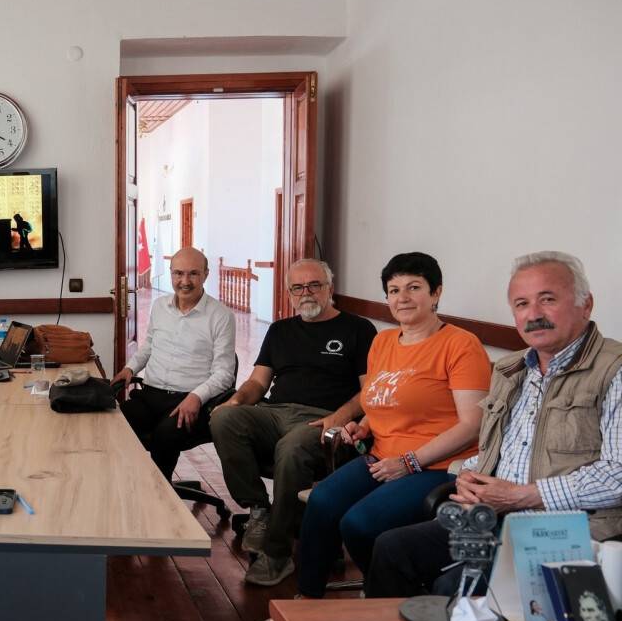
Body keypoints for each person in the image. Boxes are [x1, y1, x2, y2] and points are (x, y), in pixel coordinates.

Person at [364, 251, 622, 598]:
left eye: (548, 300)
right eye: (521, 304)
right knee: (392, 548)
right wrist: (469, 474)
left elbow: (617, 473)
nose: (533, 315)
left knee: (452, 588)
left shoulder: (613, 371)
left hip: (565, 529)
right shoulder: (511, 369)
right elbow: (495, 448)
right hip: (490, 515)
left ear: (585, 304)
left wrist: (524, 495)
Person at [293, 252, 491, 599]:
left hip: (437, 465)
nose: (402, 298)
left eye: (414, 287)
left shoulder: (460, 345)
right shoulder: (383, 342)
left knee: (359, 524)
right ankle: (307, 598)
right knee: (322, 501)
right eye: (394, 289)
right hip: (383, 457)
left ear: (436, 293)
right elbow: (382, 396)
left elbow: (473, 424)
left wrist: (410, 462)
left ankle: (389, 591)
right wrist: (365, 427)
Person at [210, 258, 378, 586]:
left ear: (330, 289)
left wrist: (337, 417)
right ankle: (259, 509)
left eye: (314, 285)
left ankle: (276, 553)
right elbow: (258, 383)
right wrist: (234, 402)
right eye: (297, 287)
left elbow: (368, 391)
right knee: (223, 419)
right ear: (289, 294)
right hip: (276, 411)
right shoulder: (280, 330)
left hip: (324, 418)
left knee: (291, 448)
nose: (307, 293)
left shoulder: (358, 329)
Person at [110, 247, 236, 480]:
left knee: (164, 437)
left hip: (188, 401)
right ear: (170, 274)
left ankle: (159, 495)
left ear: (206, 275)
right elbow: (148, 345)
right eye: (178, 273)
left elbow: (225, 373)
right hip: (151, 394)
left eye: (193, 274)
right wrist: (130, 368)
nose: (184, 281)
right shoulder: (160, 307)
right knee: (116, 423)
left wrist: (196, 397)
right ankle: (127, 484)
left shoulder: (221, 316)